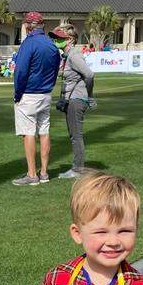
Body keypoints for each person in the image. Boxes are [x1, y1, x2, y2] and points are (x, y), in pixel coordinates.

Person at [11, 11, 61, 186]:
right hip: (45, 94)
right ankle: (44, 173)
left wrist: (17, 94)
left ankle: (32, 175)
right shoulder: (51, 44)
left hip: (29, 94)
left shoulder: (29, 43)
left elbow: (21, 71)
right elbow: (56, 69)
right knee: (44, 131)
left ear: (28, 25)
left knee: (29, 133)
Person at [50, 24, 94, 179]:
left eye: (58, 38)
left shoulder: (74, 55)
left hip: (76, 99)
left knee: (76, 135)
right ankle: (77, 167)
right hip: (73, 99)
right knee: (74, 135)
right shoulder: (68, 55)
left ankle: (78, 169)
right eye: (54, 38)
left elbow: (89, 75)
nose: (55, 41)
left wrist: (89, 96)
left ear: (69, 40)